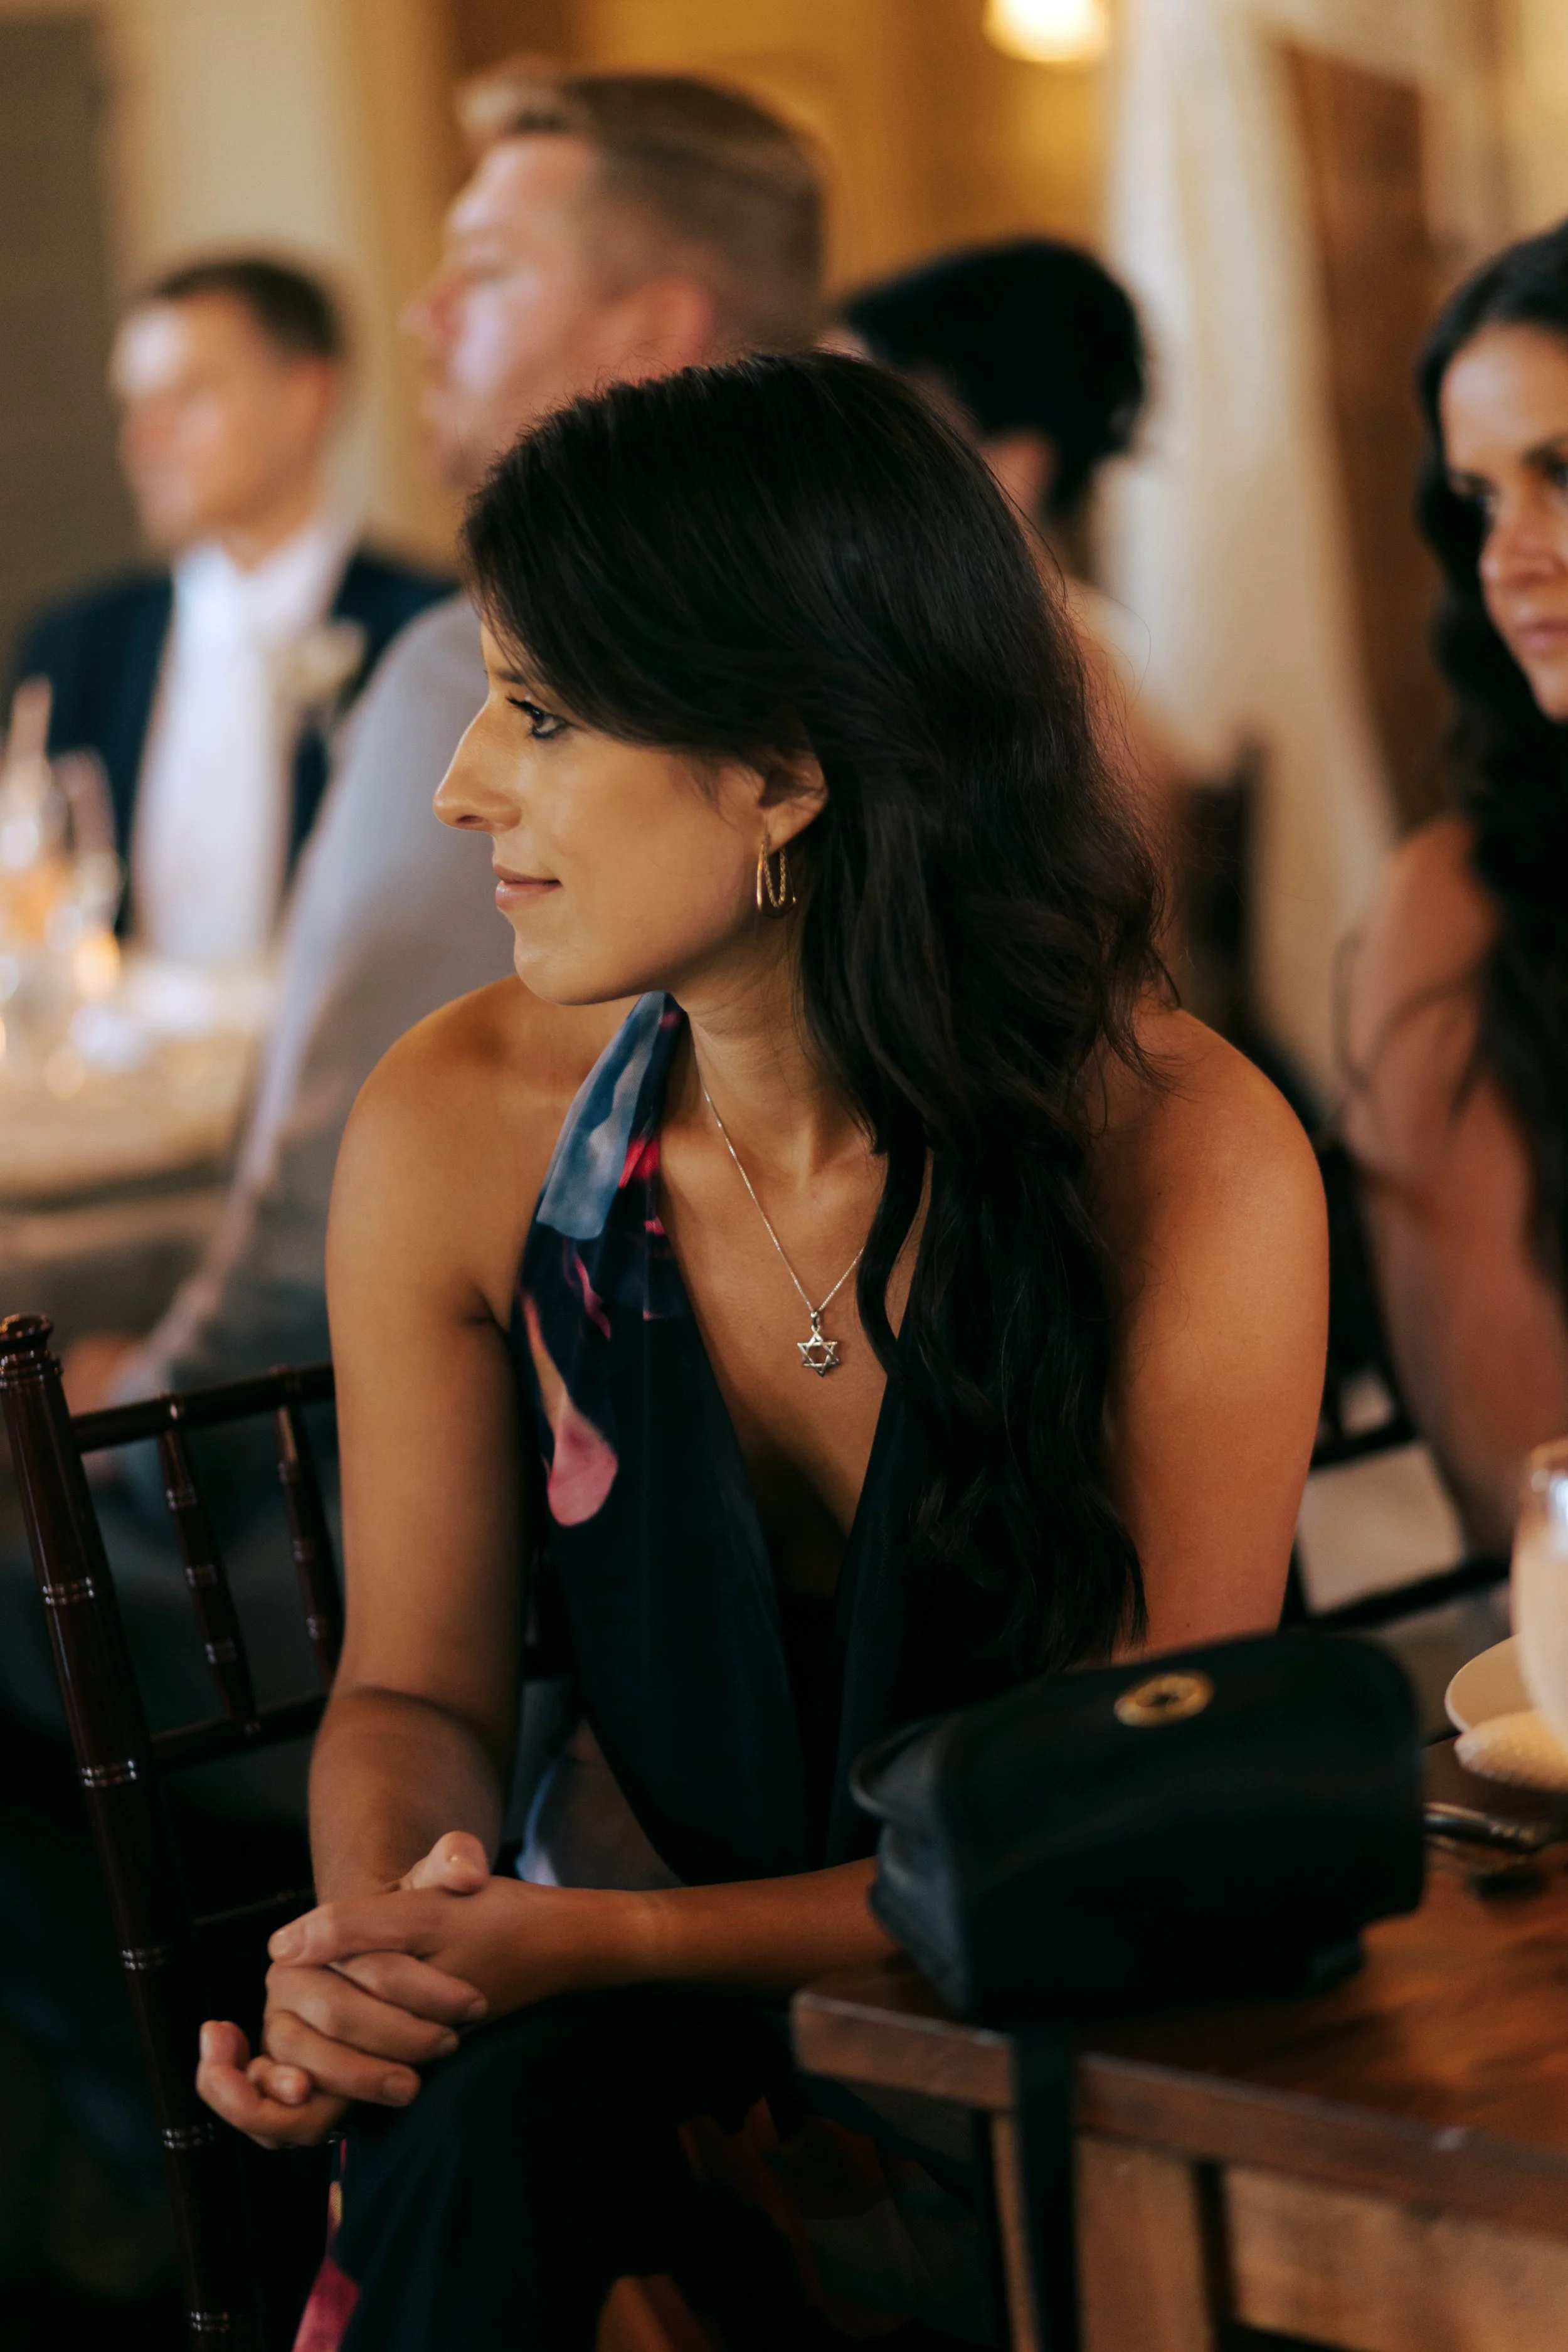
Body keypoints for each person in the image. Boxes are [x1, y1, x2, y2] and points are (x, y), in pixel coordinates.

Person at [196, 355, 1326, 2347]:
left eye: (539, 713)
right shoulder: (457, 1121)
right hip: (611, 2002)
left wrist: (587, 1940)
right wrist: (391, 1942)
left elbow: (1115, 1837)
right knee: (477, 2126)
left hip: (1083, 2014)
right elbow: (407, 1687)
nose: (463, 782)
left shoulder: (1175, 1153)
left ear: (788, 768)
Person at [0, 62, 828, 2312]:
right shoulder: (936, 613)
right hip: (464, 1579)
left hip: (322, 1494)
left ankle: (116, 2238)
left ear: (650, 327)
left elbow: (284, 1262)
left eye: (481, 274)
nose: (427, 318)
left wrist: (96, 1427)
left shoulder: (516, 673)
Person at [12, 257, 450, 968]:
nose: (142, 442)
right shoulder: (76, 646)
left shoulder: (433, 633)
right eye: (134, 405)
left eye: (187, 397)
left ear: (307, 396)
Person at [1342, 221, 1568, 1557]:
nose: (1507, 558)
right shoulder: (1454, 910)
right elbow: (1519, 1482)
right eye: (1480, 500)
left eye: (1562, 474)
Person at [839, 238, 1179, 808]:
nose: (840, 477)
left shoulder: (1053, 689)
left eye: (877, 442)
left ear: (1014, 470)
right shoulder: (1036, 659)